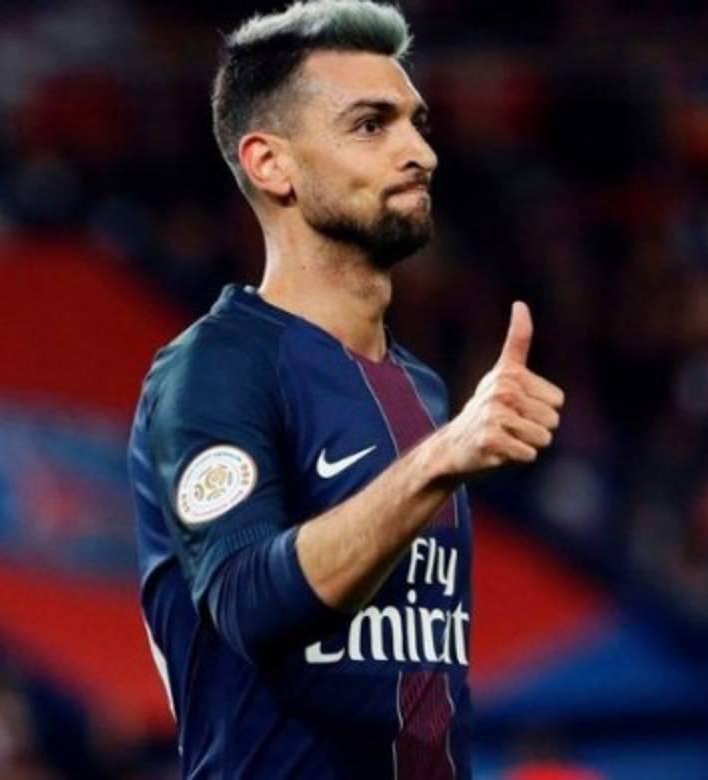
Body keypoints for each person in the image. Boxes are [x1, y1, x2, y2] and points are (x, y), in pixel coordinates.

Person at [127, 1, 564, 777]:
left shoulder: (420, 388)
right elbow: (249, 604)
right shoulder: (216, 369)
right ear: (272, 165)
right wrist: (439, 461)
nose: (420, 153)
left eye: (417, 123)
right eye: (370, 125)